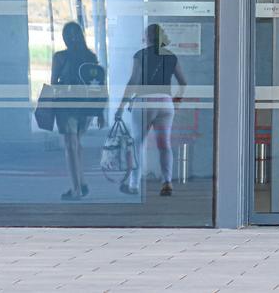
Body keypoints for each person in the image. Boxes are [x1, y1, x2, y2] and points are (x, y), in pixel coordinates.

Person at [116, 24, 188, 197]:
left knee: (137, 144)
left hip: (144, 102)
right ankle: (167, 183)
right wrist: (175, 102)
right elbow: (183, 82)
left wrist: (121, 106)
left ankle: (133, 185)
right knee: (164, 144)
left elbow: (133, 81)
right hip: (165, 103)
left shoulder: (140, 55)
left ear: (146, 36)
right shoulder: (171, 57)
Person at [51, 22, 105, 200]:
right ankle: (81, 183)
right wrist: (100, 112)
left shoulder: (59, 57)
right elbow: (98, 86)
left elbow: (53, 84)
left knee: (70, 146)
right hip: (86, 108)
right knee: (76, 145)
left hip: (67, 107)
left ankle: (76, 190)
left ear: (65, 38)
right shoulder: (90, 56)